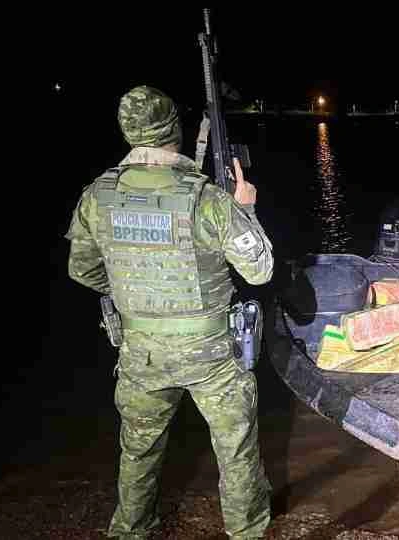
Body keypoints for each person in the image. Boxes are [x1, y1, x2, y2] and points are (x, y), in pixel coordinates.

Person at [65, 85, 274, 539]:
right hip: (212, 356)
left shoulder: (97, 196)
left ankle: (131, 530)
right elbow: (259, 270)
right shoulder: (206, 198)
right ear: (174, 130)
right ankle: (246, 531)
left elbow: (82, 269)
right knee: (235, 451)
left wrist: (135, 295)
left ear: (128, 132)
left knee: (138, 451)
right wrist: (247, 209)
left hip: (141, 354)